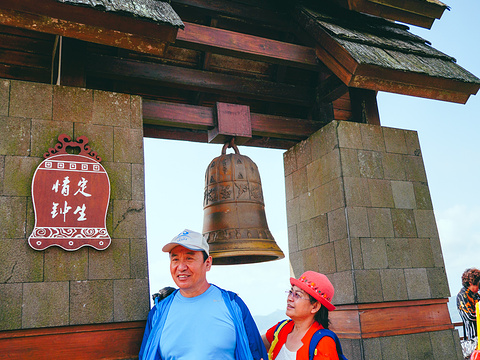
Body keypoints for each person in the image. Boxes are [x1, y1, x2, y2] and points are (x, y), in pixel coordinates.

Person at [139, 229, 267, 360]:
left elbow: (256, 354)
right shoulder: (159, 313)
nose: (181, 267)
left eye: (189, 258)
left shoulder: (233, 305)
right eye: (175, 259)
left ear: (208, 263)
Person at [262, 271, 342, 360]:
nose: (289, 298)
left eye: (297, 295)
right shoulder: (281, 329)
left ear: (315, 307)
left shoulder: (323, 342)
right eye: (290, 292)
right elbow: (254, 343)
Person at [457, 268, 480, 340]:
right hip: (474, 337)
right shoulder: (462, 296)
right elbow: (470, 316)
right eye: (478, 285)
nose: (479, 288)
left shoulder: (475, 295)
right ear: (470, 283)